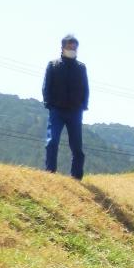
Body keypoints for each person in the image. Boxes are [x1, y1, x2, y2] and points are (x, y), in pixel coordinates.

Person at [42, 33, 89, 180]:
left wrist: (83, 105)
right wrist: (48, 103)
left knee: (77, 147)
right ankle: (50, 172)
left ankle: (76, 177)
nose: (72, 48)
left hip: (75, 112)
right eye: (69, 45)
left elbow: (85, 89)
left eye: (74, 45)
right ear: (62, 47)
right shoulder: (53, 64)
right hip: (56, 110)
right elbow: (46, 86)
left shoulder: (81, 67)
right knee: (52, 141)